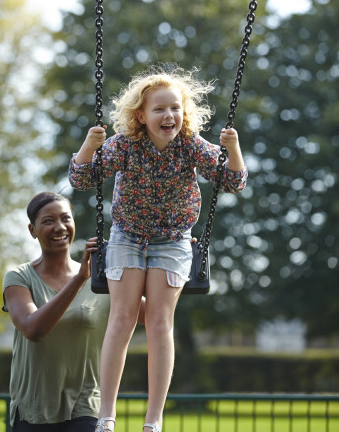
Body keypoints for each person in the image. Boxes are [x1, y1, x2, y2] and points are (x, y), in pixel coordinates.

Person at [69, 65, 248, 432]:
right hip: (127, 236)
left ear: (184, 113)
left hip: (173, 241)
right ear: (141, 115)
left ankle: (153, 420)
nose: (169, 115)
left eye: (175, 108)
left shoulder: (191, 145)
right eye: (159, 109)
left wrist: (234, 150)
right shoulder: (124, 145)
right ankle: (106, 416)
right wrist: (90, 144)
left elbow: (232, 182)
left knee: (159, 322)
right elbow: (82, 178)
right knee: (121, 318)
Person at [2, 191, 144, 431]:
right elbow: (32, 329)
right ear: (32, 230)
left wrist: (170, 255)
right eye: (48, 221)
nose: (60, 227)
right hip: (34, 409)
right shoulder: (18, 277)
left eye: (66, 218)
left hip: (87, 406)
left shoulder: (102, 279)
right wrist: (79, 279)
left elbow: (156, 314)